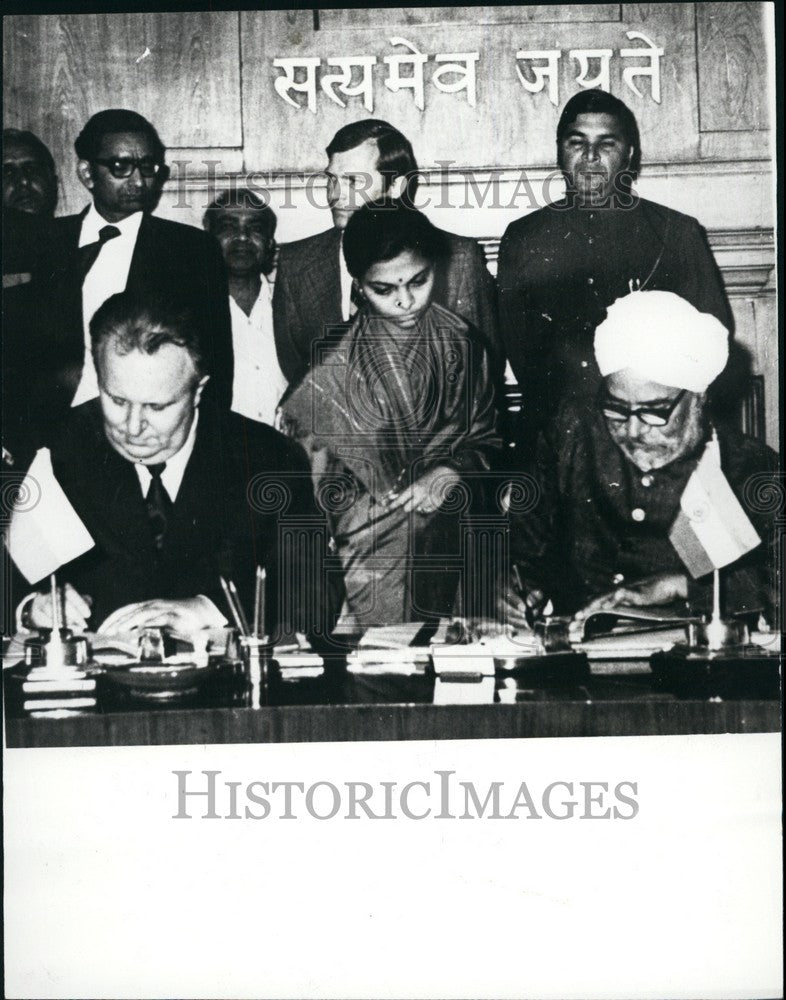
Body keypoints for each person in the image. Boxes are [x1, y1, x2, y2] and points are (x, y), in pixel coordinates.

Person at [18, 291, 323, 638]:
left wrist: (210, 610)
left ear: (197, 392)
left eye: (157, 407)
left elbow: (315, 595)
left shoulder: (269, 459)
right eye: (116, 400)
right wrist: (29, 607)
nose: (132, 427)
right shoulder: (57, 449)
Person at [499, 291, 779, 628]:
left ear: (698, 397)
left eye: (654, 411)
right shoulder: (571, 434)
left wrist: (682, 586)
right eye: (616, 408)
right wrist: (507, 588)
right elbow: (521, 546)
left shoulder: (749, 468)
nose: (632, 430)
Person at [281, 201, 501, 626]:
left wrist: (454, 470)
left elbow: (486, 438)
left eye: (418, 281)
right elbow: (307, 494)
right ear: (359, 286)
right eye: (384, 289)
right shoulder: (329, 370)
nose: (405, 301)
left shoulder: (464, 343)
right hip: (362, 564)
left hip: (451, 543)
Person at [497, 90, 732, 452]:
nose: (590, 157)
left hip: (654, 429)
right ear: (560, 150)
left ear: (630, 154)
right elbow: (523, 354)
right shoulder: (525, 237)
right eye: (577, 143)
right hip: (561, 434)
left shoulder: (675, 232)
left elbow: (711, 341)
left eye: (606, 144)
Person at [34, 108, 233, 414]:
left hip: (147, 426)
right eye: (121, 166)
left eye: (148, 166)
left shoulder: (191, 249)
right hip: (52, 425)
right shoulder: (44, 242)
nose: (139, 181)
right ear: (87, 173)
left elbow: (215, 361)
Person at [273, 118, 500, 386]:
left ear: (396, 187)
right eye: (331, 180)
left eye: (353, 181)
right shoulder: (297, 263)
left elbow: (482, 366)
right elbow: (298, 369)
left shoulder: (457, 258)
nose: (335, 195)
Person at [203, 189, 287, 425]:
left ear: (270, 242)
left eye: (256, 228)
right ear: (208, 237)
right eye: (228, 227)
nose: (242, 237)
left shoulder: (293, 308)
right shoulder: (187, 314)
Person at [3, 128, 58, 218]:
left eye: (32, 169)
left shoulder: (82, 230)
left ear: (54, 184)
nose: (23, 181)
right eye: (7, 173)